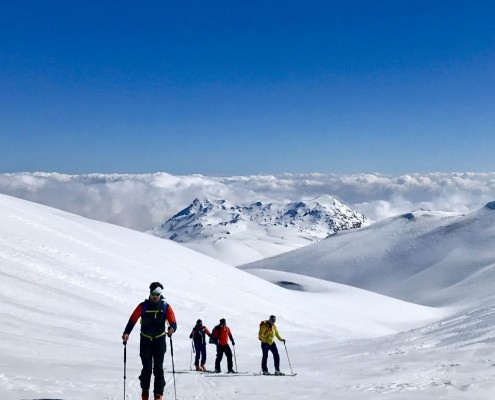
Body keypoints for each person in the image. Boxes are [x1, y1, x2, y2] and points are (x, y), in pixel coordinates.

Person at [122, 282, 177, 400]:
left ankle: (158, 395)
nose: (155, 296)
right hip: (146, 341)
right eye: (153, 294)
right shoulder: (143, 306)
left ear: (160, 294)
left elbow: (173, 322)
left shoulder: (165, 307)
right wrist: (127, 333)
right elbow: (132, 320)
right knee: (147, 368)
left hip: (159, 341)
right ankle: (145, 392)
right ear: (150, 293)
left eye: (157, 294)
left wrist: (172, 328)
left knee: (158, 368)